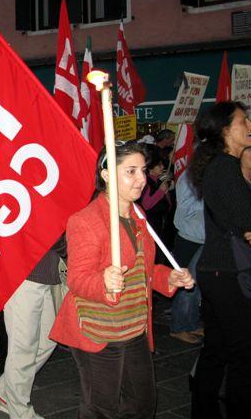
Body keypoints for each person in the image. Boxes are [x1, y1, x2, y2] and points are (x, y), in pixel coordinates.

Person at [50, 141, 194, 418]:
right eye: (131, 171)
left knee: (142, 403)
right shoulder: (86, 220)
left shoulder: (138, 215)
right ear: (106, 175)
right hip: (99, 330)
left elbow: (143, 269)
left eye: (142, 170)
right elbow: (78, 280)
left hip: (134, 326)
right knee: (101, 409)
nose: (142, 179)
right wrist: (102, 280)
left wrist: (169, 277)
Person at [188, 102, 251, 418]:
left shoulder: (222, 165)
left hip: (218, 270)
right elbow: (247, 219)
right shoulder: (226, 167)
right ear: (226, 129)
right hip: (229, 272)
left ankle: (203, 411)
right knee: (244, 354)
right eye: (243, 120)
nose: (250, 125)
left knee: (217, 350)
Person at [0, 236, 66, 419]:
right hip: (23, 272)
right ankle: (20, 411)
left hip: (50, 273)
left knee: (50, 338)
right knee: (23, 347)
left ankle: (2, 392)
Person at [169, 169, 204, 345]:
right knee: (186, 284)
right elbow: (184, 208)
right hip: (190, 236)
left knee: (197, 286)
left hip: (205, 236)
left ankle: (191, 323)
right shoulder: (190, 176)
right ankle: (179, 327)